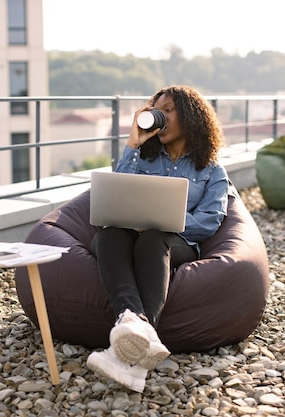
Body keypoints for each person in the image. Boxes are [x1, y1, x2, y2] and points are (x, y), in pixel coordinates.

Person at [86, 85, 230, 392]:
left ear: (190, 118)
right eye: (155, 110)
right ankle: (137, 329)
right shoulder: (142, 158)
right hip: (129, 236)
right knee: (109, 235)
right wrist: (132, 143)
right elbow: (117, 192)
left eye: (166, 111)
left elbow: (209, 221)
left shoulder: (211, 170)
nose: (158, 117)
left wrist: (166, 222)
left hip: (172, 243)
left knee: (153, 238)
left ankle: (130, 340)